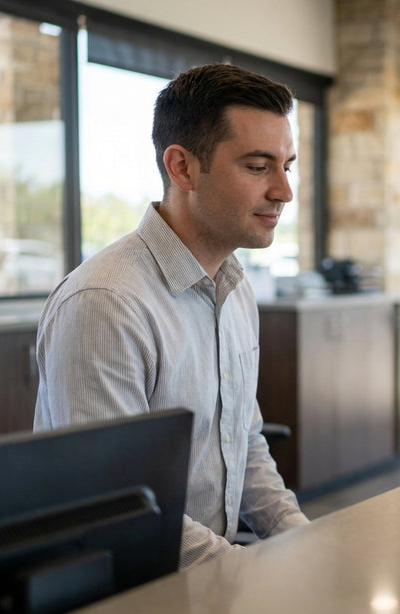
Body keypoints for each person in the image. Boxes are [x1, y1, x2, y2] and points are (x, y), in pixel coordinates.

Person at [34, 63, 310, 568]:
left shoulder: (235, 286)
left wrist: (306, 544)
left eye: (285, 166)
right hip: (126, 587)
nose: (283, 191)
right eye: (257, 166)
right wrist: (246, 578)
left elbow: (244, 446)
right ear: (182, 167)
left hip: (208, 575)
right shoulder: (107, 302)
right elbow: (117, 505)